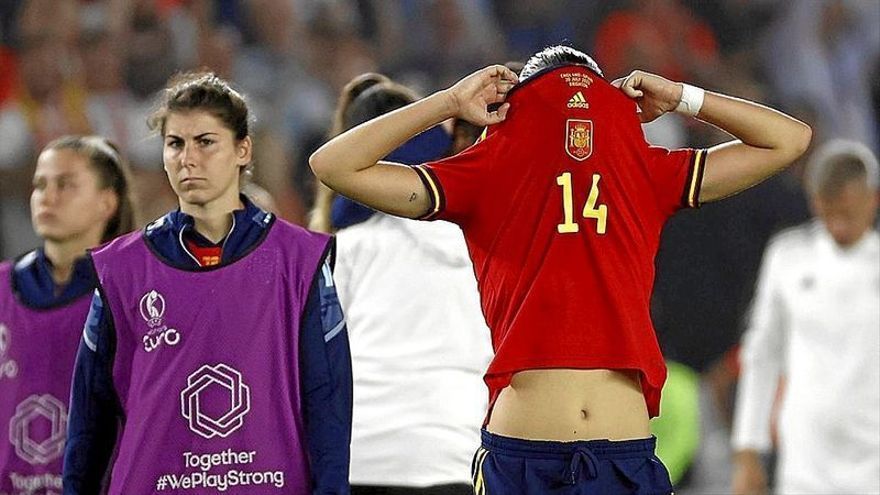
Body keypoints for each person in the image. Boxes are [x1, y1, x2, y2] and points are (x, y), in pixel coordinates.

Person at [310, 45, 811, 493]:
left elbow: (334, 165)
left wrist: (449, 102)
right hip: (597, 447)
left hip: (533, 446)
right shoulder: (641, 169)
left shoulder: (489, 170)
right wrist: (680, 97)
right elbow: (787, 140)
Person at [62, 73, 352, 494]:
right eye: (175, 144)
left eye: (205, 142)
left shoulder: (299, 262)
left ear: (242, 150)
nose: (187, 158)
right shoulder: (122, 270)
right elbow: (90, 415)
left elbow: (328, 403)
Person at [315, 78, 493, 494]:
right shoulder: (486, 247)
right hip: (455, 454)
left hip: (360, 458)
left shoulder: (343, 251)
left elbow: (315, 362)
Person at [731, 140, 879, 495]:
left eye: (847, 213)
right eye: (829, 214)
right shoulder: (788, 257)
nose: (838, 226)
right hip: (805, 459)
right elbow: (762, 353)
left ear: (872, 199)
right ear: (815, 203)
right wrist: (748, 450)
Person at [0, 135, 134, 494]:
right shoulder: (1, 288)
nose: (48, 195)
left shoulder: (128, 294)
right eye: (40, 184)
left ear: (107, 202)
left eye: (66, 184)